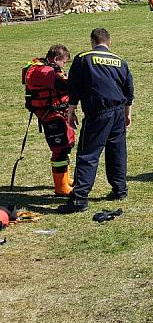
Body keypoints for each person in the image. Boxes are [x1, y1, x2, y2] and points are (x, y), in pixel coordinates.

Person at [60, 28, 134, 214]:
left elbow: (74, 86)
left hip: (98, 112)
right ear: (109, 42)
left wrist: (71, 110)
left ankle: (79, 199)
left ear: (93, 41)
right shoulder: (119, 61)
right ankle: (120, 189)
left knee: (88, 153)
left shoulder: (84, 58)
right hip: (118, 111)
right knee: (117, 151)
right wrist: (127, 113)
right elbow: (129, 90)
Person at [22, 45, 75, 196]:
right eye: (64, 62)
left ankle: (66, 180)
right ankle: (61, 187)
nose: (64, 66)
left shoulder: (43, 68)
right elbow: (65, 85)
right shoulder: (45, 72)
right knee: (59, 150)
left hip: (56, 112)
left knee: (65, 146)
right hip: (51, 114)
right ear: (57, 58)